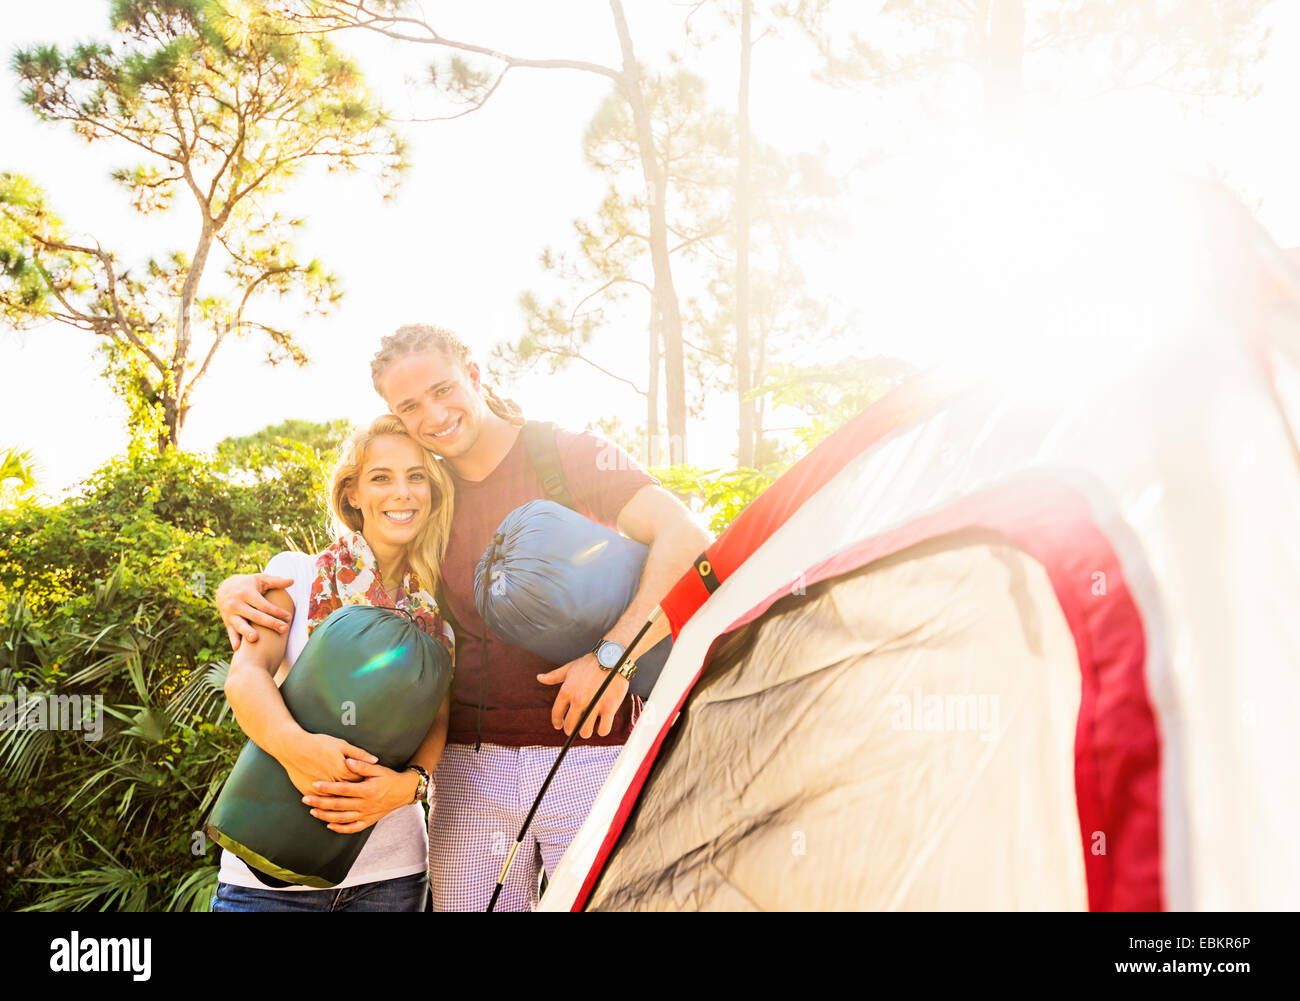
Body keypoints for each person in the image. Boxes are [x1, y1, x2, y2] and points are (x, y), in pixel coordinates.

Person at [217, 324, 711, 910]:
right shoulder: (426, 492)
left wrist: (615, 657)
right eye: (410, 406)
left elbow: (689, 539)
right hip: (466, 773)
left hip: (591, 750)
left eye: (443, 389)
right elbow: (365, 565)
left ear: (474, 374)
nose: (433, 414)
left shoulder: (566, 454)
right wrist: (241, 586)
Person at [210, 415, 455, 912]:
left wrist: (411, 787)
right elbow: (247, 676)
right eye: (381, 477)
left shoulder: (437, 618)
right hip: (266, 874)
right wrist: (297, 748)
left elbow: (439, 720)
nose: (402, 493)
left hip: (393, 876)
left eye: (417, 477)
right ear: (352, 495)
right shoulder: (293, 577)